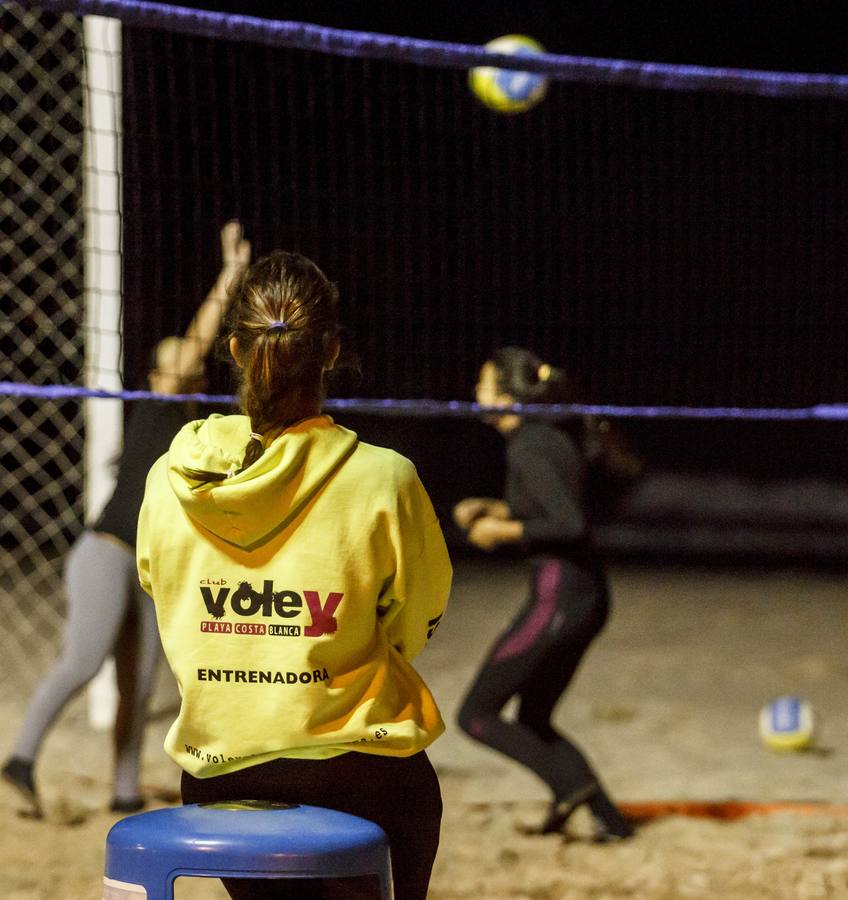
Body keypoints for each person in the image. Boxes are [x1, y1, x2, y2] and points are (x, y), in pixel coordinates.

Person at [135, 248, 452, 900]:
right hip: (362, 766)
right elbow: (418, 616)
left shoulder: (170, 480)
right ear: (332, 350)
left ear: (233, 347)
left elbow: (158, 584)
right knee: (411, 799)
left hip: (224, 769)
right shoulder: (383, 478)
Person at [2, 221, 251, 817]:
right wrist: (230, 276)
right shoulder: (155, 407)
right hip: (106, 552)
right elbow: (195, 344)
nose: (182, 359)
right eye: (171, 358)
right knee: (83, 663)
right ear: (158, 375)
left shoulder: (202, 434)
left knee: (138, 689)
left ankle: (122, 789)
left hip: (149, 569)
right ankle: (21, 759)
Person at [453, 347, 636, 841]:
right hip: (583, 595)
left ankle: (572, 787)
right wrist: (494, 508)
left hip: (562, 598)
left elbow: (568, 523)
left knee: (475, 716)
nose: (476, 393)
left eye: (484, 385)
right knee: (532, 716)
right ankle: (610, 821)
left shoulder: (531, 444)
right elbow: (551, 506)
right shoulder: (545, 437)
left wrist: (500, 531)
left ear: (509, 398)